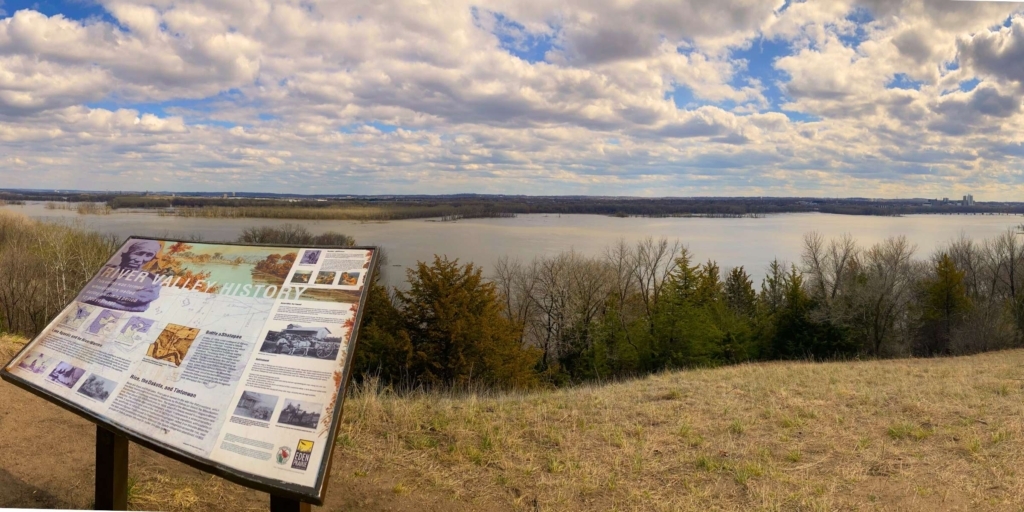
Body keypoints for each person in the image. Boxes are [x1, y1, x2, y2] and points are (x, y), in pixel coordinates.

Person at [82, 240, 163, 312]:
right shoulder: (105, 270)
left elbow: (142, 305)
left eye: (149, 255)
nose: (140, 260)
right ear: (126, 253)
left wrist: (106, 298)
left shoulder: (151, 280)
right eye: (139, 253)